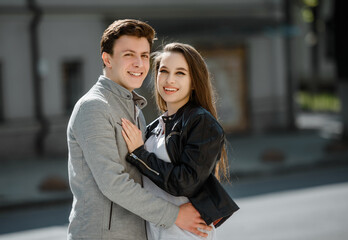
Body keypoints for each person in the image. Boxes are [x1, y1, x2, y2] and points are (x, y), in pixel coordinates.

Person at [67, 20, 212, 240]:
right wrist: (174, 215)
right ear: (107, 59)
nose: (139, 64)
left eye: (144, 55)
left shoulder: (134, 109)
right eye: (128, 55)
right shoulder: (94, 107)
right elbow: (113, 183)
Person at [121, 42, 239, 240]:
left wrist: (140, 155)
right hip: (157, 232)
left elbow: (186, 182)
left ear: (194, 81)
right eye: (164, 71)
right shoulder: (153, 127)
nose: (170, 80)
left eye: (180, 73)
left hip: (186, 235)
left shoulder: (201, 122)